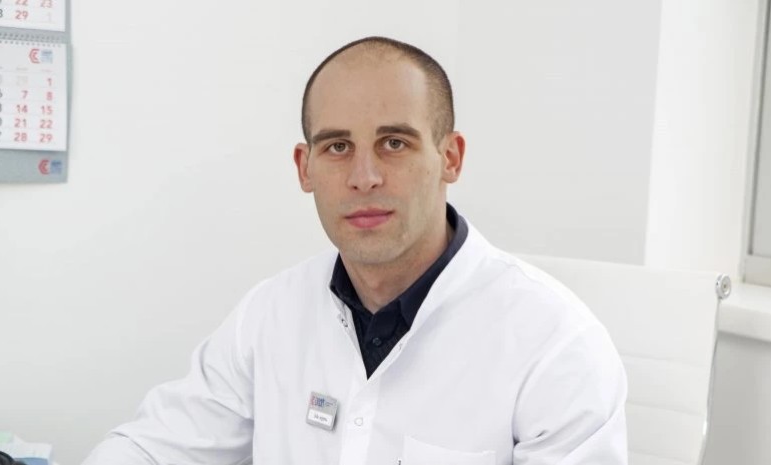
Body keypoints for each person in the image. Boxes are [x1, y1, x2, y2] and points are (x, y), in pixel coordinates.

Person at [83, 36, 627, 465]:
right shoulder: (269, 315)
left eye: (394, 143)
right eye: (338, 146)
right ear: (305, 168)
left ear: (451, 158)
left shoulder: (556, 345)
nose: (364, 177)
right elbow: (153, 447)